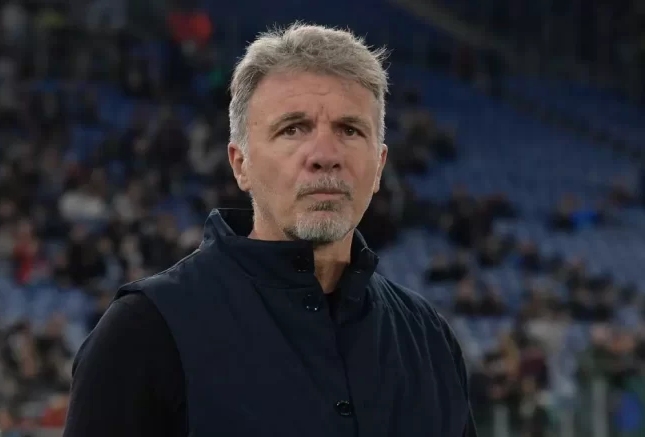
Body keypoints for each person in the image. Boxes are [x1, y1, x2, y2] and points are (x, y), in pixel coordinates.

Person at [63, 23, 477, 437]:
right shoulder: (145, 331)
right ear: (240, 164)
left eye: (350, 130)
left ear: (379, 166)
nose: (325, 155)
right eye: (292, 129)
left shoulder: (429, 340)